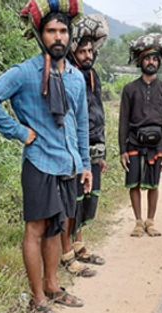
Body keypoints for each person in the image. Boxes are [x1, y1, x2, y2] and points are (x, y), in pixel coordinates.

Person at [0, 0, 91, 313]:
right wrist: (19, 131)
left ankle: (53, 287)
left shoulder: (76, 79)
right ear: (41, 35)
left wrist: (85, 165)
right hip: (39, 162)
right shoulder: (26, 73)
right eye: (51, 30)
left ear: (70, 36)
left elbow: (80, 125)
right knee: (36, 229)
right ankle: (37, 300)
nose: (58, 37)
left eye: (63, 31)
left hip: (67, 164)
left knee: (57, 227)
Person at [61, 14, 110, 277]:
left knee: (88, 199)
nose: (88, 55)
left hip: (93, 145)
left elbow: (97, 112)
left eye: (91, 50)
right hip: (73, 148)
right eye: (82, 50)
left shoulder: (93, 77)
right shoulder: (67, 76)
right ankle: (66, 252)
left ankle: (79, 244)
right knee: (73, 200)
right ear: (73, 52)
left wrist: (102, 150)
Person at [119, 33, 162, 237]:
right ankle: (138, 221)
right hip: (134, 141)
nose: (151, 62)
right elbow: (123, 121)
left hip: (157, 144)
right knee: (133, 183)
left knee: (154, 183)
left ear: (159, 62)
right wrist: (122, 150)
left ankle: (151, 222)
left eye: (154, 59)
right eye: (147, 58)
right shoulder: (129, 89)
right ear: (140, 61)